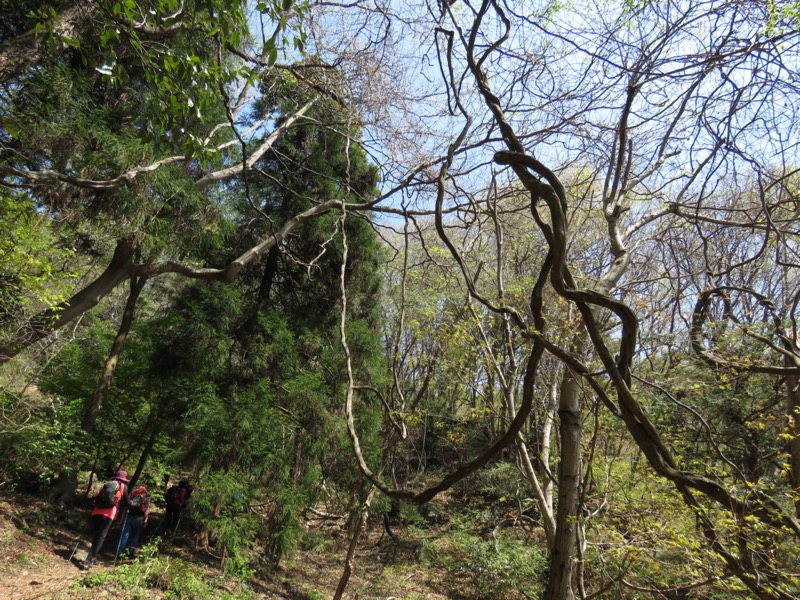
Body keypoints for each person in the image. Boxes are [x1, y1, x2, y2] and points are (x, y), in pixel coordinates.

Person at [82, 469, 130, 569]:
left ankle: (93, 557)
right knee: (100, 537)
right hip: (108, 514)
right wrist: (131, 503)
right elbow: (126, 501)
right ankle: (88, 560)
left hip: (96, 512)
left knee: (96, 535)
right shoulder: (123, 486)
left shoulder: (107, 484)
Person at [116, 483, 150, 559]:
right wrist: (145, 520)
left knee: (124, 536)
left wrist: (121, 520)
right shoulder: (146, 498)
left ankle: (119, 553)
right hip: (139, 519)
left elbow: (125, 509)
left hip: (128, 517)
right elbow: (146, 510)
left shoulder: (132, 496)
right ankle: (131, 552)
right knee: (135, 536)